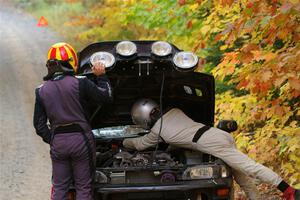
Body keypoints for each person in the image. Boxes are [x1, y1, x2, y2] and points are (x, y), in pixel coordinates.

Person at [123, 98, 299, 200]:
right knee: (241, 176)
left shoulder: (157, 131)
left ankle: (289, 191)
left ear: (143, 118)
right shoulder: (175, 111)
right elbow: (178, 135)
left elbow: (139, 145)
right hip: (216, 134)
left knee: (249, 167)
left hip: (212, 143)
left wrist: (123, 143)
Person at [33, 42, 113, 200]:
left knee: (59, 188)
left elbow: (39, 125)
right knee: (83, 187)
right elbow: (106, 97)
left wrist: (53, 139)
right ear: (72, 61)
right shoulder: (81, 82)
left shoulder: (40, 90)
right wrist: (101, 76)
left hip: (58, 142)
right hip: (81, 140)